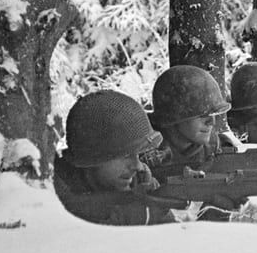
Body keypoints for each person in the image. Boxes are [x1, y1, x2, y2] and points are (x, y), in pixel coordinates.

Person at [53, 90, 177, 226]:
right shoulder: (54, 194)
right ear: (93, 156)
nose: (137, 166)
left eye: (138, 154)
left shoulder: (140, 181)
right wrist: (135, 214)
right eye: (125, 155)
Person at [145, 65, 244, 217]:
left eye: (213, 114)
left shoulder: (213, 147)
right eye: (201, 115)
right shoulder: (146, 149)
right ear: (175, 115)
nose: (211, 122)